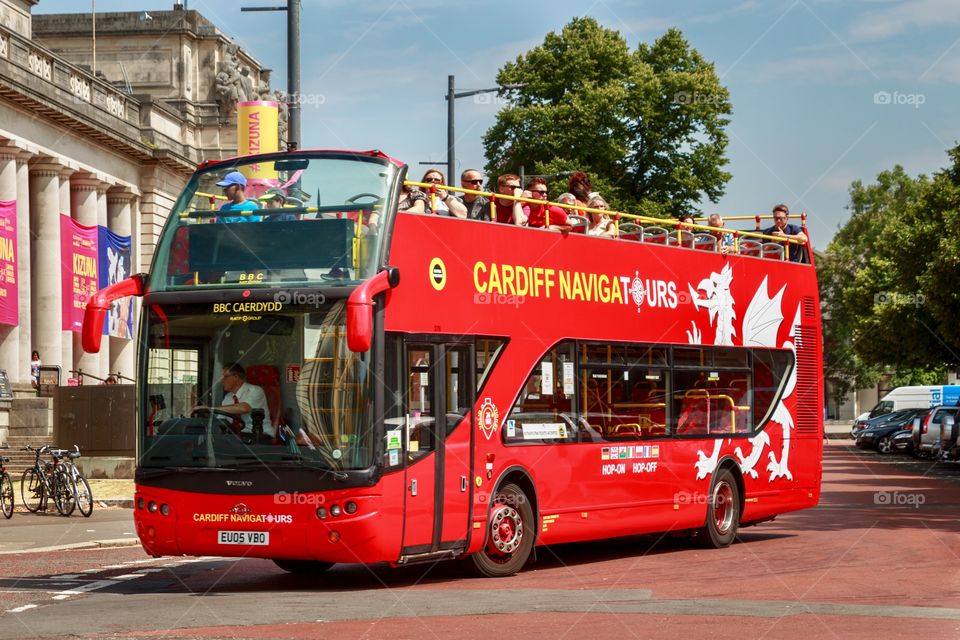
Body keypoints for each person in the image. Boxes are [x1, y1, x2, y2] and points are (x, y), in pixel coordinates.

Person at [194, 363, 274, 439]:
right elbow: (221, 419)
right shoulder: (228, 397)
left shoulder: (255, 391)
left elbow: (244, 408)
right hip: (238, 436)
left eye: (225, 377)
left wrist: (210, 408)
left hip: (260, 435)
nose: (221, 381)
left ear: (236, 377)